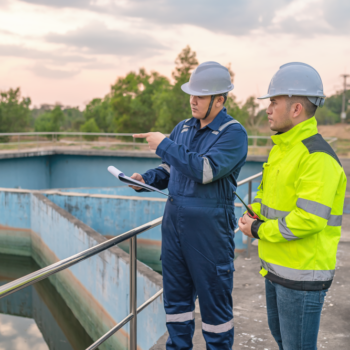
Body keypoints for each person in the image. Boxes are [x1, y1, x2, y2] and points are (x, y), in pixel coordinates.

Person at [130, 61, 248, 349]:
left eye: (201, 96)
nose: (193, 101)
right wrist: (143, 180)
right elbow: (171, 169)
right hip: (175, 233)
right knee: (177, 306)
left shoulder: (233, 134)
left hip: (209, 236)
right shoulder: (182, 128)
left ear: (219, 100)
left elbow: (205, 170)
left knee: (215, 311)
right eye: (191, 94)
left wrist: (163, 144)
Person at [238, 62, 347, 350]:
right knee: (284, 342)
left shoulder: (316, 157)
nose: (268, 109)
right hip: (277, 270)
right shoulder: (283, 150)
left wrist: (259, 230)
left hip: (301, 277)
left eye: (274, 101)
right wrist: (255, 211)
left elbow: (309, 219)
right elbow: (266, 195)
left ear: (296, 108)